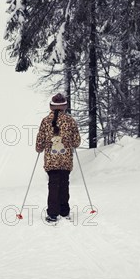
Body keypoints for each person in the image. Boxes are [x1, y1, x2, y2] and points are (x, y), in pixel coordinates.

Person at [35, 93, 81, 223]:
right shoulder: (70, 120)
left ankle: (53, 214)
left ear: (52, 106)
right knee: (64, 184)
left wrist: (39, 148)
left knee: (53, 185)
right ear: (64, 106)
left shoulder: (45, 121)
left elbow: (40, 141)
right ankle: (64, 211)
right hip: (66, 159)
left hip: (51, 159)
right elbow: (76, 142)